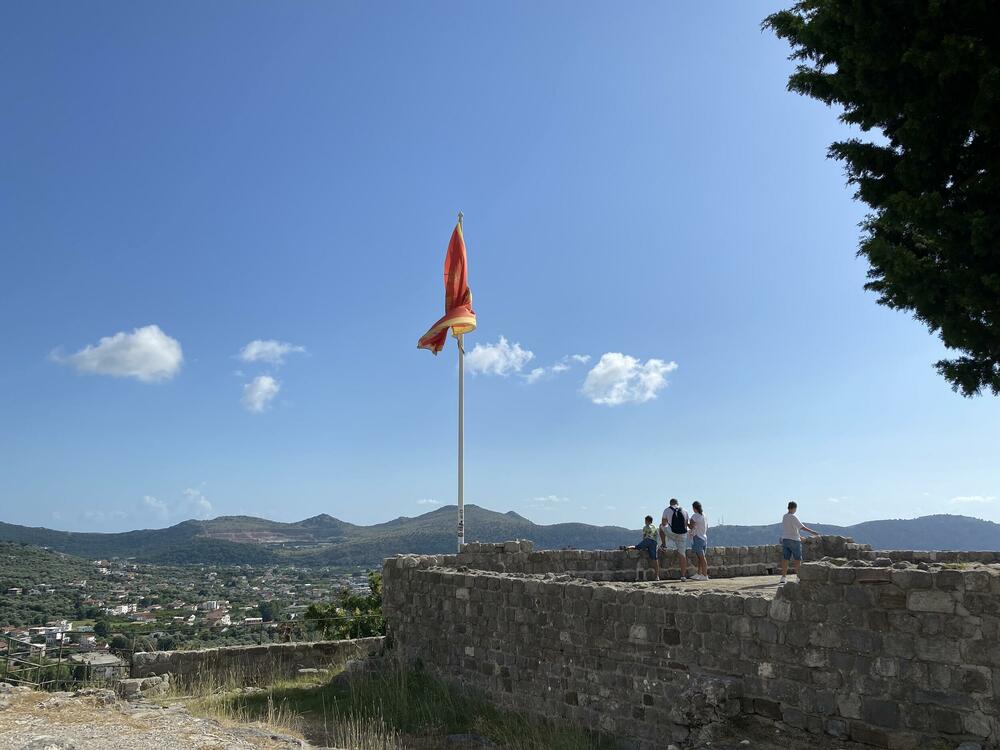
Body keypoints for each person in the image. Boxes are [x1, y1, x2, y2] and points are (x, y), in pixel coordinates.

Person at [779, 500, 820, 583]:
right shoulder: (793, 517)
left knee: (785, 559)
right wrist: (813, 532)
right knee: (797, 559)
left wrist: (800, 536)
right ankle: (798, 577)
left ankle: (783, 578)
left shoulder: (784, 516)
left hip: (785, 540)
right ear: (794, 508)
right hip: (794, 541)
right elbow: (802, 527)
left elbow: (790, 529)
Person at [660, 498, 689, 581]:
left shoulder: (667, 510)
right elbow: (686, 524)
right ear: (677, 503)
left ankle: (664, 545)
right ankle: (683, 576)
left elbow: (664, 523)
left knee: (660, 527)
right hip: (682, 535)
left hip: (673, 533)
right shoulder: (685, 511)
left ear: (670, 504)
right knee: (682, 554)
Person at [634, 515, 660, 580]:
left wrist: (644, 545)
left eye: (645, 521)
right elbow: (657, 535)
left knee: (636, 547)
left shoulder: (645, 527)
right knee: (654, 558)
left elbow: (644, 536)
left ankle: (627, 548)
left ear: (647, 521)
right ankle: (657, 576)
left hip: (647, 541)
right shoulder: (654, 527)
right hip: (654, 542)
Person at [688, 501, 709, 581]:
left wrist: (686, 522)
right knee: (700, 557)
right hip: (704, 537)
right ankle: (699, 574)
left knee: (701, 557)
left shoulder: (695, 516)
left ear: (694, 508)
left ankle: (704, 575)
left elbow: (690, 526)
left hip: (697, 538)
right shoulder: (704, 515)